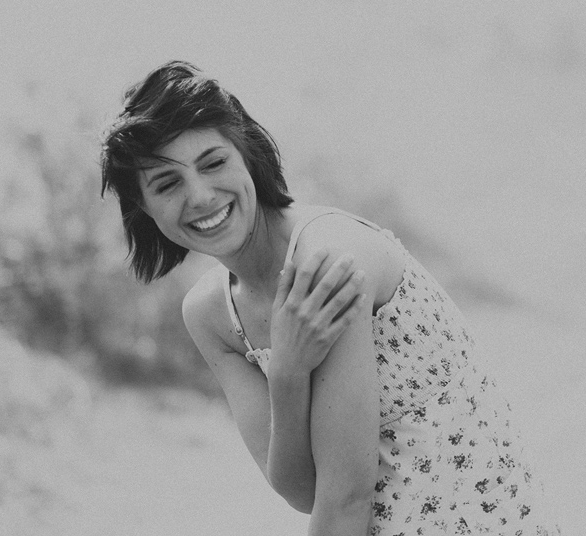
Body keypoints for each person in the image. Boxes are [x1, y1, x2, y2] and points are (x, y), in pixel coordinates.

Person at [101, 61, 557, 535]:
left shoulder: (328, 258)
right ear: (143, 209)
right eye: (167, 184)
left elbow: (345, 500)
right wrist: (287, 373)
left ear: (247, 155)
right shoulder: (212, 314)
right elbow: (303, 492)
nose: (199, 197)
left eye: (213, 163)